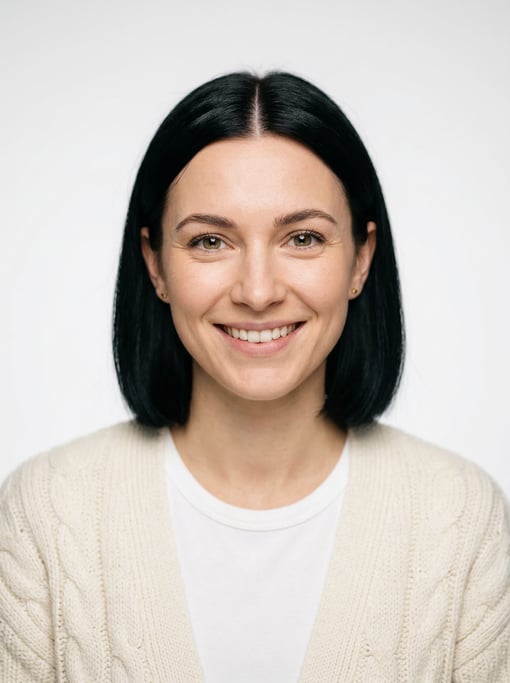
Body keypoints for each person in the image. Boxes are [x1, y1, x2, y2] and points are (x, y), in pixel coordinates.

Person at [0, 72, 509, 682]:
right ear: (155, 264)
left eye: (303, 237)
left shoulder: (462, 519)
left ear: (361, 260)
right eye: (211, 241)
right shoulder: (45, 516)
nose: (259, 292)